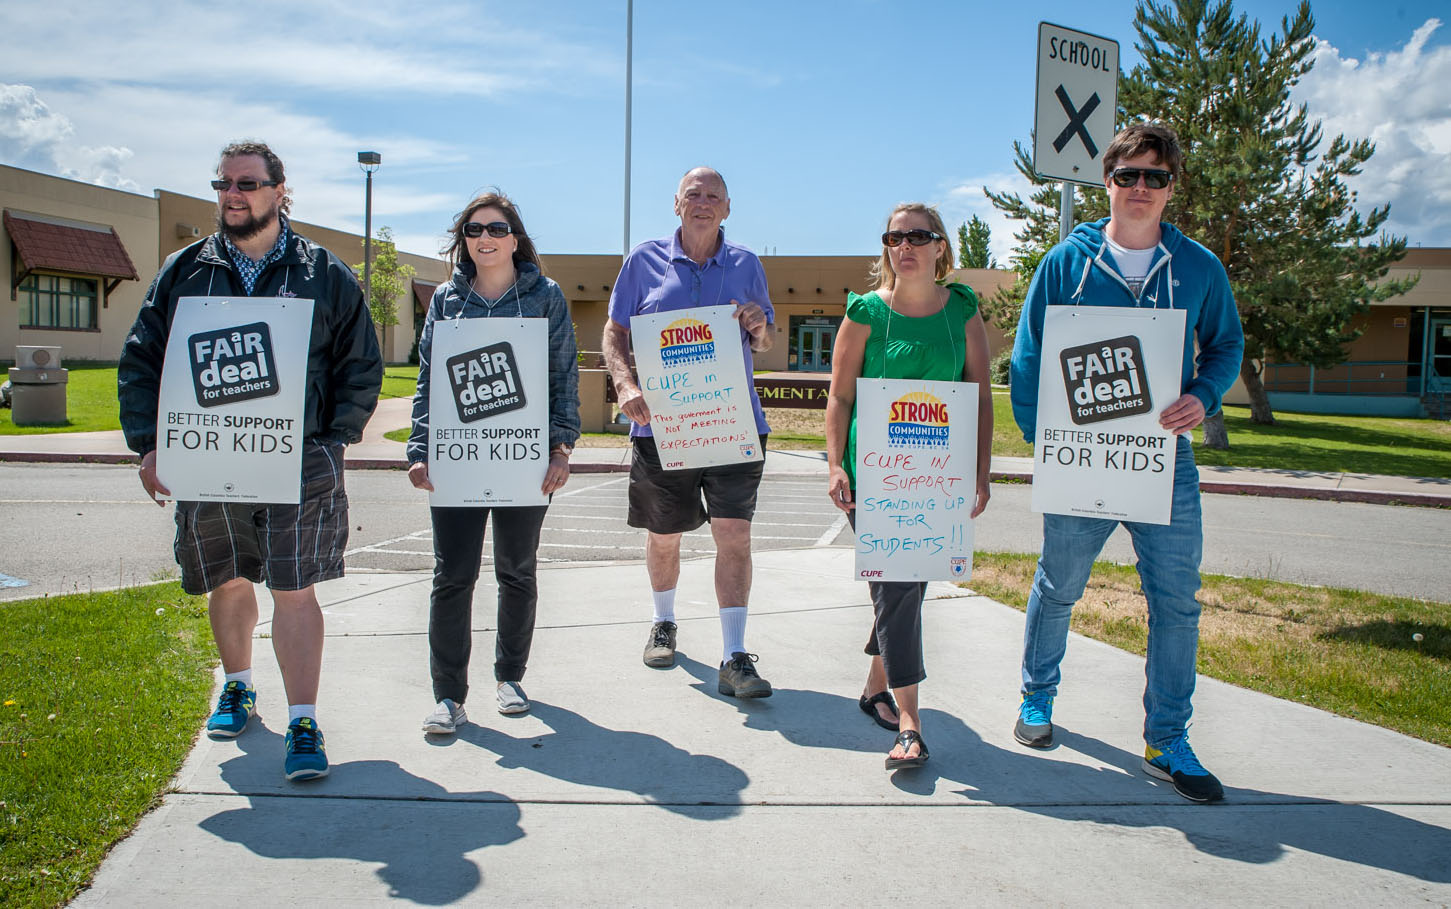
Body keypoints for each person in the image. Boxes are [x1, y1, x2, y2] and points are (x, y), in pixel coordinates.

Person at [118, 140, 383, 781]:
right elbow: (141, 360)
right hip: (209, 457)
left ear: (279, 191)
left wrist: (332, 442)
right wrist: (150, 445)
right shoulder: (186, 272)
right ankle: (238, 685)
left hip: (302, 461)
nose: (232, 195)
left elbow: (361, 366)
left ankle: (303, 721)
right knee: (228, 576)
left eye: (247, 183)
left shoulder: (325, 273)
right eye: (223, 184)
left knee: (294, 588)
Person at [1009, 123, 1244, 803]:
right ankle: (1036, 698)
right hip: (1082, 460)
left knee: (1175, 602)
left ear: (1171, 187)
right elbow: (1028, 357)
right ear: (1106, 181)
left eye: (1156, 176)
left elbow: (1223, 345)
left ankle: (1166, 738)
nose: (1141, 187)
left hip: (1162, 461)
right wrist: (1046, 441)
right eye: (1128, 175)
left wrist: (1202, 396)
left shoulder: (1198, 267)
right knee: (1058, 585)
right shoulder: (1066, 262)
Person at [825, 203, 993, 770]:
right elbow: (841, 396)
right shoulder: (866, 313)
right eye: (895, 237)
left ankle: (876, 688)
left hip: (937, 474)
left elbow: (979, 393)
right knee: (898, 583)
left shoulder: (962, 311)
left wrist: (980, 469)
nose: (906, 246)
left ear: (941, 246)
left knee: (911, 584)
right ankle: (910, 723)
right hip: (874, 475)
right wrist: (834, 464)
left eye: (919, 236)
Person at [407, 191, 580, 732]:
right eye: (475, 229)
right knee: (452, 575)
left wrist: (560, 447)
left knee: (516, 571)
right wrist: (420, 447)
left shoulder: (545, 296)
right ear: (464, 239)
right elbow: (428, 379)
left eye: (497, 229)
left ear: (515, 237)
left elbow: (562, 376)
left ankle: (509, 678)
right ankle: (448, 696)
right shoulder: (445, 300)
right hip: (459, 458)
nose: (486, 238)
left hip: (521, 457)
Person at [601, 166, 776, 697]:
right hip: (661, 429)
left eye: (713, 196)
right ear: (676, 203)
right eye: (693, 194)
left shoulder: (747, 264)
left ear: (727, 208)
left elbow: (766, 342)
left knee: (735, 537)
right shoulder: (643, 260)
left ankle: (735, 655)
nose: (703, 202)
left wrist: (757, 326)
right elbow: (615, 331)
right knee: (664, 536)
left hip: (731, 425)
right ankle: (664, 621)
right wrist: (625, 385)